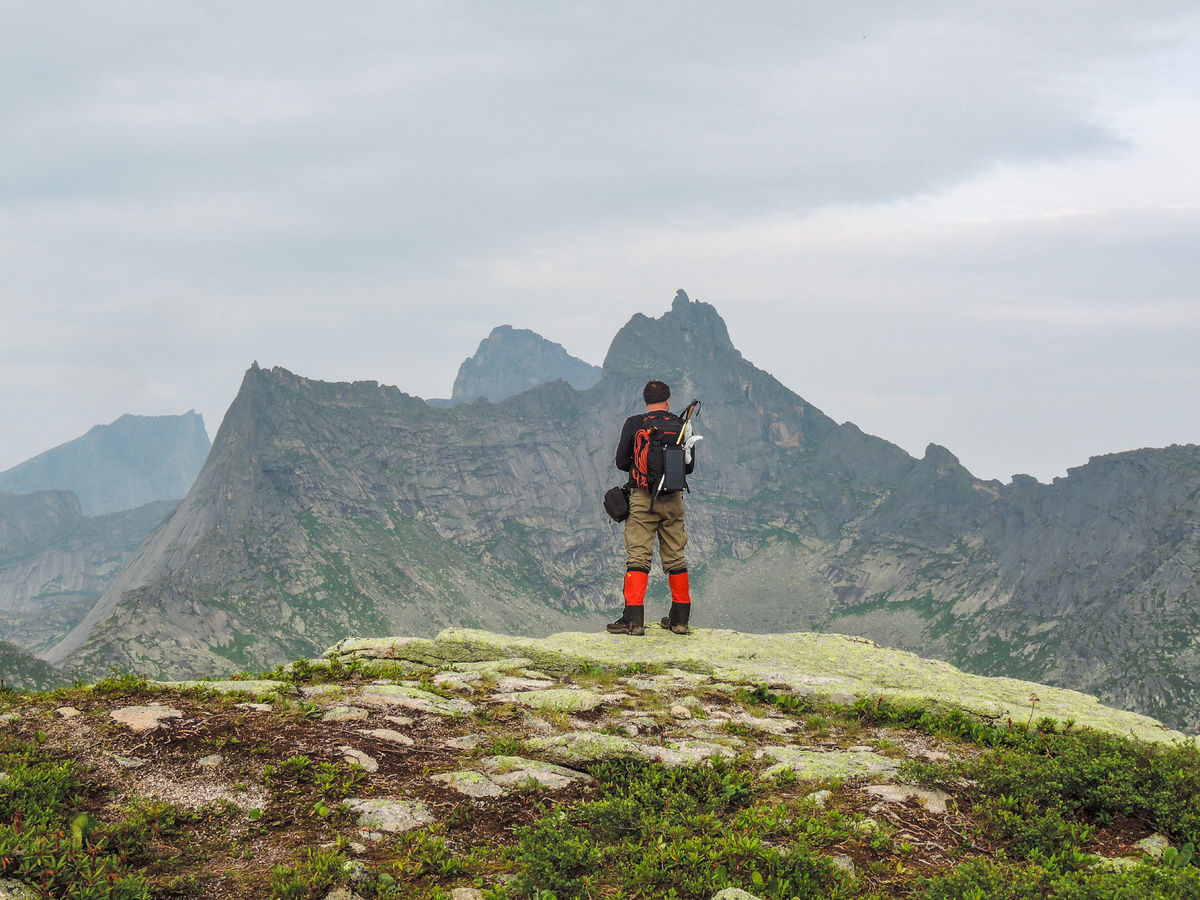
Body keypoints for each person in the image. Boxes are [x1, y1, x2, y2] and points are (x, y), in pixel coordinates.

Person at [607, 379, 699, 636]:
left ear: (645, 401)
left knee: (638, 555)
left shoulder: (635, 424)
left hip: (641, 498)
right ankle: (679, 619)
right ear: (668, 400)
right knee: (676, 556)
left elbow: (621, 462)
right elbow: (688, 467)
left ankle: (633, 621)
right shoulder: (681, 426)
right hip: (673, 500)